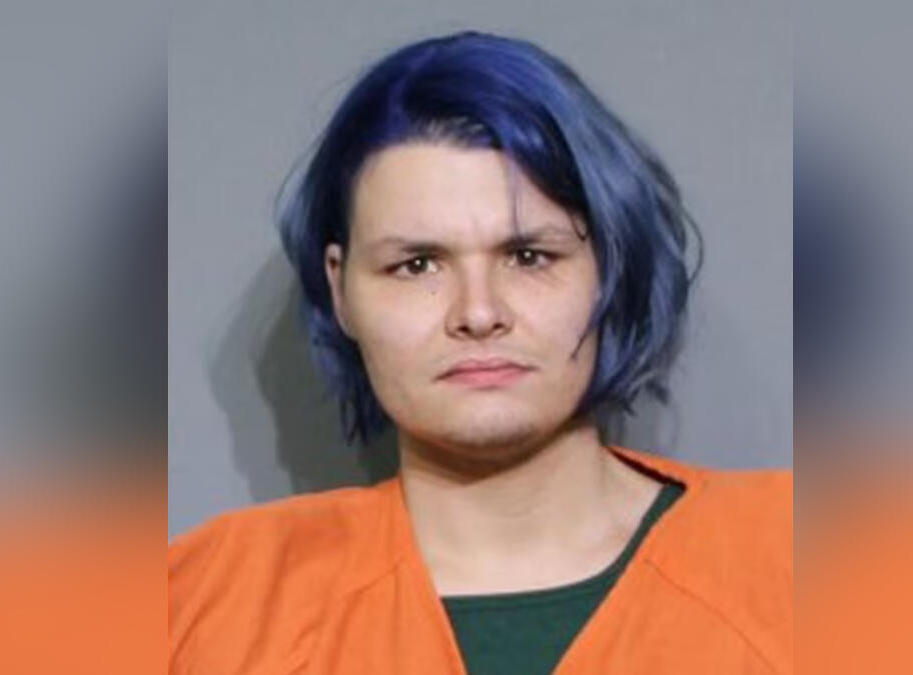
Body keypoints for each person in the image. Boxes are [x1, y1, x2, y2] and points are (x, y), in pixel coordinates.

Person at [169, 31, 791, 674]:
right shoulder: (203, 605)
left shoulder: (797, 563)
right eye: (417, 265)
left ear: (611, 268)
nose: (478, 313)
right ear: (341, 290)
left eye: (529, 256)